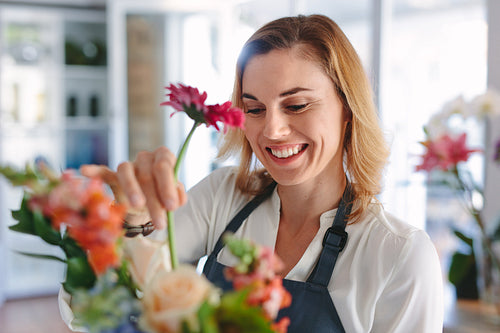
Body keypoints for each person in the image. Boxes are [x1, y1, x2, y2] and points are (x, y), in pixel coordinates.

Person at [79, 14, 443, 332]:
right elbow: (94, 312)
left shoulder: (399, 254)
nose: (272, 130)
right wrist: (130, 221)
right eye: (254, 109)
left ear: (347, 107)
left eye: (296, 105)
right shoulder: (225, 196)